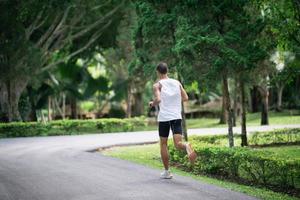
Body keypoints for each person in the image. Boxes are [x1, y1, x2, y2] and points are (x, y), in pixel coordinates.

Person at [149, 62, 197, 179]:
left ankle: (167, 171)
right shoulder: (177, 83)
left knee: (164, 144)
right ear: (167, 71)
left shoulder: (157, 85)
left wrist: (152, 103)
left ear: (158, 72)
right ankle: (186, 145)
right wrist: (174, 103)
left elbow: (159, 99)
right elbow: (185, 98)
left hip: (165, 117)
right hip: (176, 116)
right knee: (178, 144)